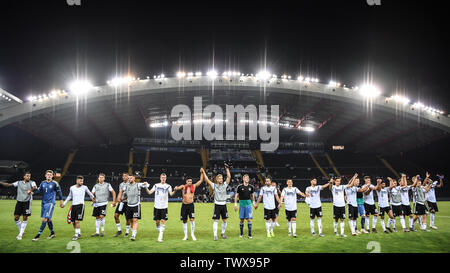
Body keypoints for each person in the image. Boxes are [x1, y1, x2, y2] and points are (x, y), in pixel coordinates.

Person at [0, 171, 37, 240]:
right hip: (19, 202)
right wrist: (1, 182)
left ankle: (20, 235)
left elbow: (35, 187)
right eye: (27, 176)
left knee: (25, 218)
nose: (29, 177)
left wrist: (30, 190)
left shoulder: (32, 182)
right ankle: (21, 231)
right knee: (16, 218)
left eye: (29, 176)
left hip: (27, 202)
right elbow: (8, 185)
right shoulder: (19, 182)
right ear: (24, 176)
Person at [30, 170, 63, 241]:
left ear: (52, 176)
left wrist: (61, 201)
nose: (49, 176)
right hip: (43, 203)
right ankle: (52, 233)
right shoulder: (43, 183)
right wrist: (32, 192)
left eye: (50, 175)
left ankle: (38, 236)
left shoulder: (55, 183)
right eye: (47, 174)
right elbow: (38, 190)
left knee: (44, 219)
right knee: (48, 219)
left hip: (50, 203)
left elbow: (59, 192)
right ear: (45, 175)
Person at [61, 175, 96, 240]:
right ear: (77, 181)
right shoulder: (72, 188)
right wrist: (64, 203)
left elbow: (90, 194)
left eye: (82, 181)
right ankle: (78, 232)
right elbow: (69, 196)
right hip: (73, 206)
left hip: (80, 206)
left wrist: (94, 199)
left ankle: (76, 235)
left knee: (77, 221)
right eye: (80, 181)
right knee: (73, 222)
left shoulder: (85, 187)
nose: (82, 182)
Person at [173, 170, 204, 241]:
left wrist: (202, 173)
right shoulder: (183, 187)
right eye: (188, 181)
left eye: (191, 181)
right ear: (186, 181)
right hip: (184, 205)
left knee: (192, 219)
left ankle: (192, 234)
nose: (190, 182)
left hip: (191, 205)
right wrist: (175, 188)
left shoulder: (194, 186)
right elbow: (176, 188)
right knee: (184, 221)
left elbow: (201, 180)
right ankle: (185, 235)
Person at [202, 165, 231, 241]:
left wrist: (227, 169)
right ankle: (215, 235)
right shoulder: (214, 185)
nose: (221, 179)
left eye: (221, 178)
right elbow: (207, 179)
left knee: (225, 220)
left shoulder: (225, 185)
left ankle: (223, 233)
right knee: (216, 220)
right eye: (219, 178)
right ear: (217, 179)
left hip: (224, 205)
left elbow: (229, 177)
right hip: (217, 205)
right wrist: (204, 172)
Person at [145, 173, 175, 242]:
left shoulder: (168, 186)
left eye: (164, 177)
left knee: (163, 221)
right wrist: (146, 187)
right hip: (157, 206)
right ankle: (160, 232)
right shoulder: (156, 185)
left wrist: (175, 190)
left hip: (164, 207)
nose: (163, 179)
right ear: (160, 178)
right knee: (157, 222)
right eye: (162, 177)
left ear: (166, 178)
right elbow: (149, 192)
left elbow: (171, 194)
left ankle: (160, 237)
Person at [122, 174, 149, 241]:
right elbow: (122, 191)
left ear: (134, 178)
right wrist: (119, 199)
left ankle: (133, 235)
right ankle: (132, 232)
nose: (129, 179)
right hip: (129, 205)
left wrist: (146, 183)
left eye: (131, 178)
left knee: (135, 220)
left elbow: (147, 185)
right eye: (129, 178)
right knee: (131, 220)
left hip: (136, 205)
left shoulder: (138, 185)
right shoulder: (126, 185)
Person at [91, 173, 116, 237]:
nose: (101, 178)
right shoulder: (96, 185)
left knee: (102, 216)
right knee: (97, 217)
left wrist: (114, 201)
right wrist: (93, 199)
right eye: (100, 177)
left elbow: (113, 192)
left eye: (102, 177)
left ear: (104, 178)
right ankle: (97, 232)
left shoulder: (107, 185)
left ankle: (102, 231)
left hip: (104, 203)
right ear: (98, 178)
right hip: (97, 204)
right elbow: (91, 193)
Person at [234, 174, 256, 239]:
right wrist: (235, 205)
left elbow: (252, 196)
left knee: (249, 219)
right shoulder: (239, 187)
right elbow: (236, 196)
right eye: (246, 178)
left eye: (248, 178)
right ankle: (241, 233)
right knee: (241, 220)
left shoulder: (251, 187)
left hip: (248, 205)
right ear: (243, 179)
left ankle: (249, 234)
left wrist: (253, 203)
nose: (247, 179)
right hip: (241, 205)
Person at [114, 172, 131, 237]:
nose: (124, 177)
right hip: (121, 203)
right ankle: (119, 230)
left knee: (127, 218)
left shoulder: (130, 184)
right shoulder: (121, 184)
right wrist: (116, 201)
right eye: (123, 176)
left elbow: (130, 194)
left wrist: (122, 199)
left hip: (128, 203)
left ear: (128, 177)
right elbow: (120, 193)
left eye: (125, 176)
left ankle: (127, 232)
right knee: (115, 216)